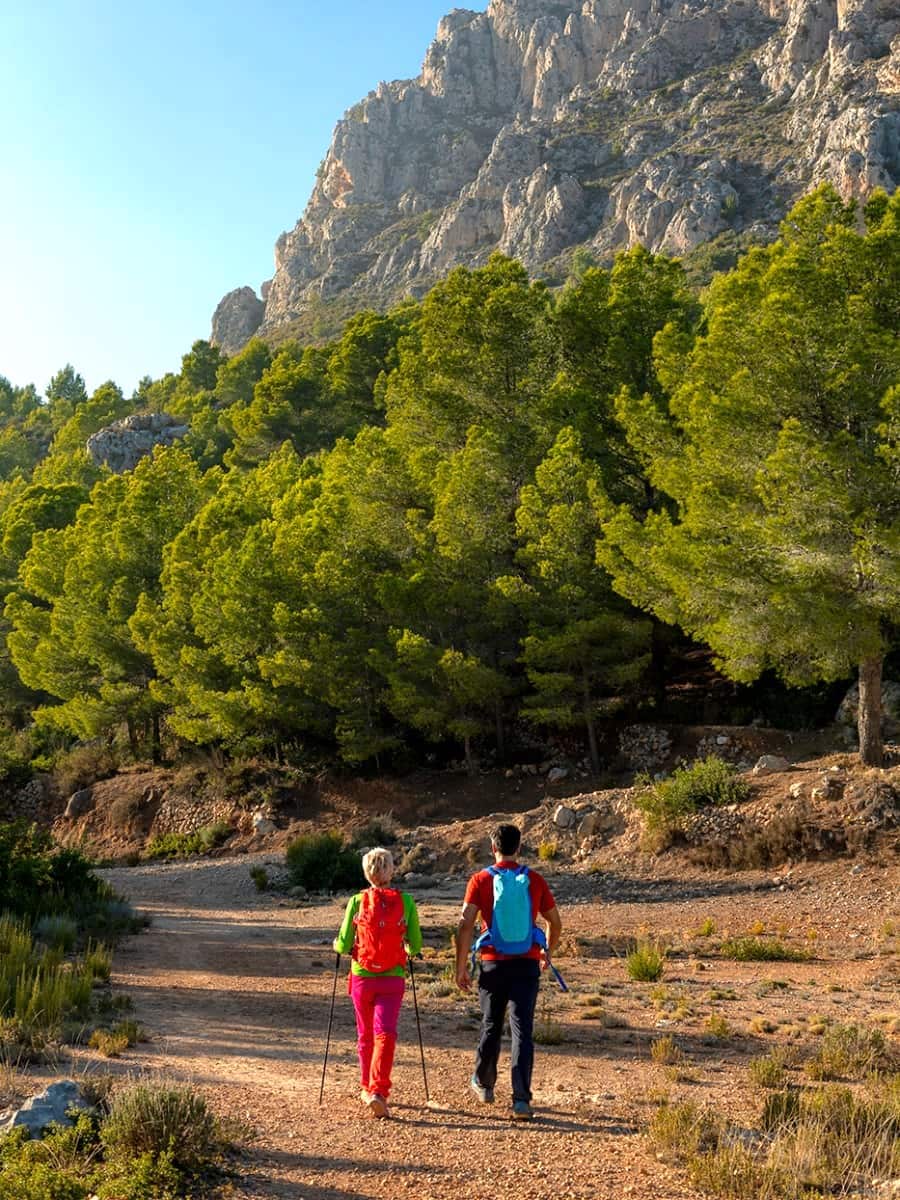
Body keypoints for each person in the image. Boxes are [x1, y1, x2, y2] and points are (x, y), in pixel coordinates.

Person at [455, 823, 562, 1120]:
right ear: (520, 847)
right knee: (522, 1030)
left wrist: (460, 966)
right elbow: (555, 921)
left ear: (493, 848)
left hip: (493, 963)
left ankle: (485, 1084)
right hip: (527, 963)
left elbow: (465, 924)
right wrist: (547, 952)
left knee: (491, 1023)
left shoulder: (479, 880)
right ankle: (521, 1100)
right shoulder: (535, 881)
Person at [333, 846, 423, 1119]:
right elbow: (415, 944)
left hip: (362, 976)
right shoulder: (406, 902)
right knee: (386, 1033)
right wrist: (407, 951)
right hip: (392, 978)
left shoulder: (356, 901)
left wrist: (337, 946)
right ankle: (378, 1090)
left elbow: (345, 943)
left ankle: (365, 1086)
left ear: (366, 873)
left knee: (365, 1035)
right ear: (392, 870)